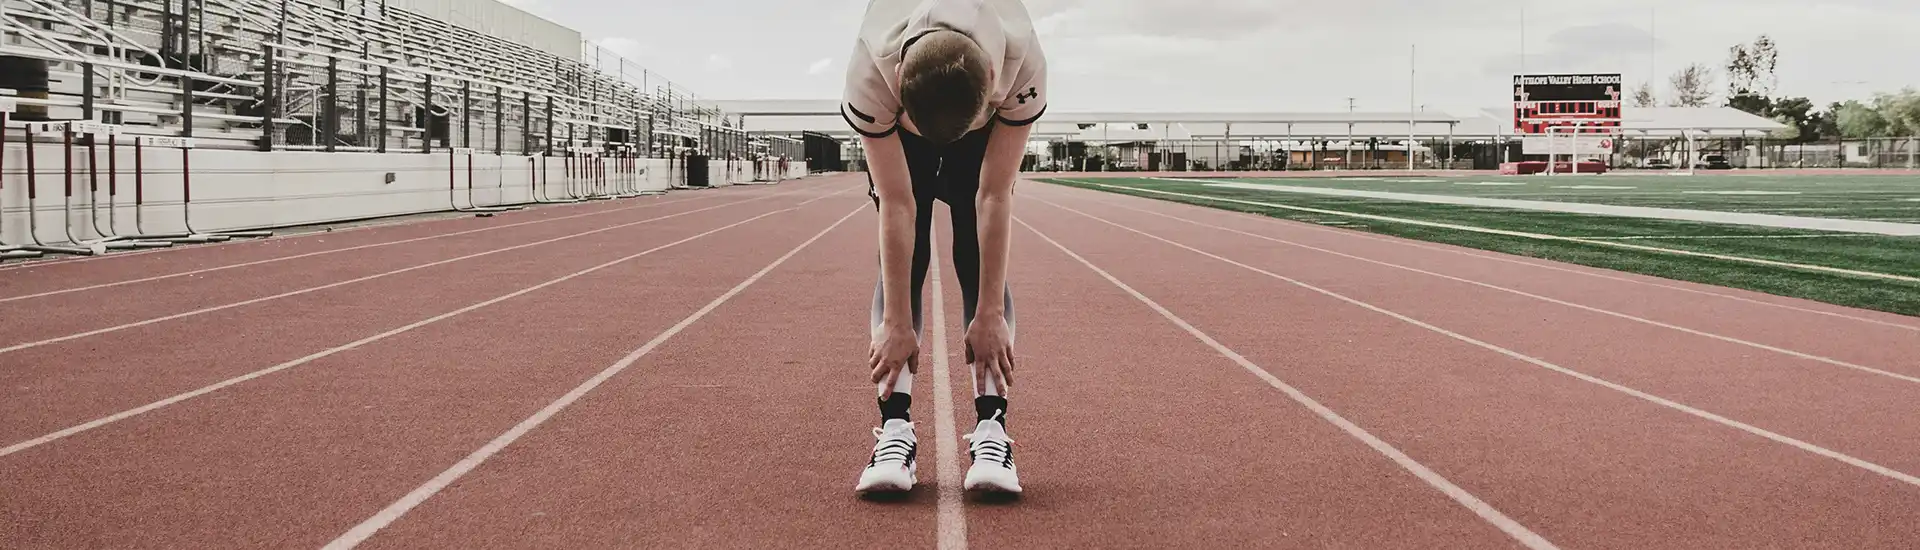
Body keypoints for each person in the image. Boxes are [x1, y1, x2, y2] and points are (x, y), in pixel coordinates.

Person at [845, 0, 1046, 495]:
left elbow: (994, 196)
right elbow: (897, 204)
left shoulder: (1024, 64)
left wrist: (990, 313)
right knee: (905, 262)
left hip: (979, 134)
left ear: (995, 77)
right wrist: (895, 322)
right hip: (906, 131)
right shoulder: (871, 71)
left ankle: (992, 428)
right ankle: (895, 431)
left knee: (977, 263)